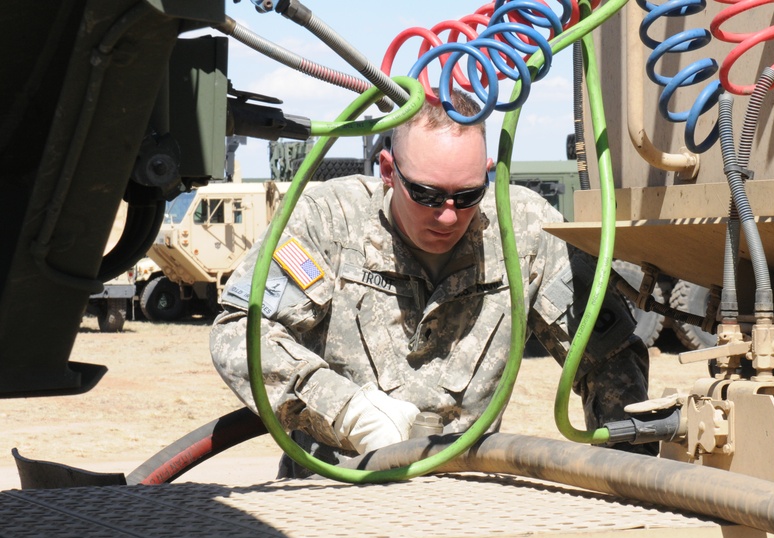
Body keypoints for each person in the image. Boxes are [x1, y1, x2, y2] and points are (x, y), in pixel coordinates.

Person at [210, 88, 651, 476]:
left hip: (464, 493)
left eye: (467, 196)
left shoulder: (526, 229)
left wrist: (631, 473)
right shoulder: (326, 221)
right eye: (426, 194)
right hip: (334, 487)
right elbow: (239, 333)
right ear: (388, 170)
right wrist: (346, 411)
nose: (447, 215)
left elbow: (610, 356)